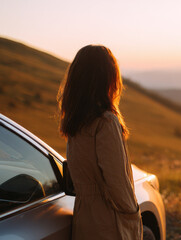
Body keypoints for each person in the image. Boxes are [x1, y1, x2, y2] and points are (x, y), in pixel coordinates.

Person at [57, 45, 142, 240]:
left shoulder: (74, 122)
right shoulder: (105, 121)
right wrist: (132, 212)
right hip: (108, 218)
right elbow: (116, 179)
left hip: (84, 217)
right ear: (108, 79)